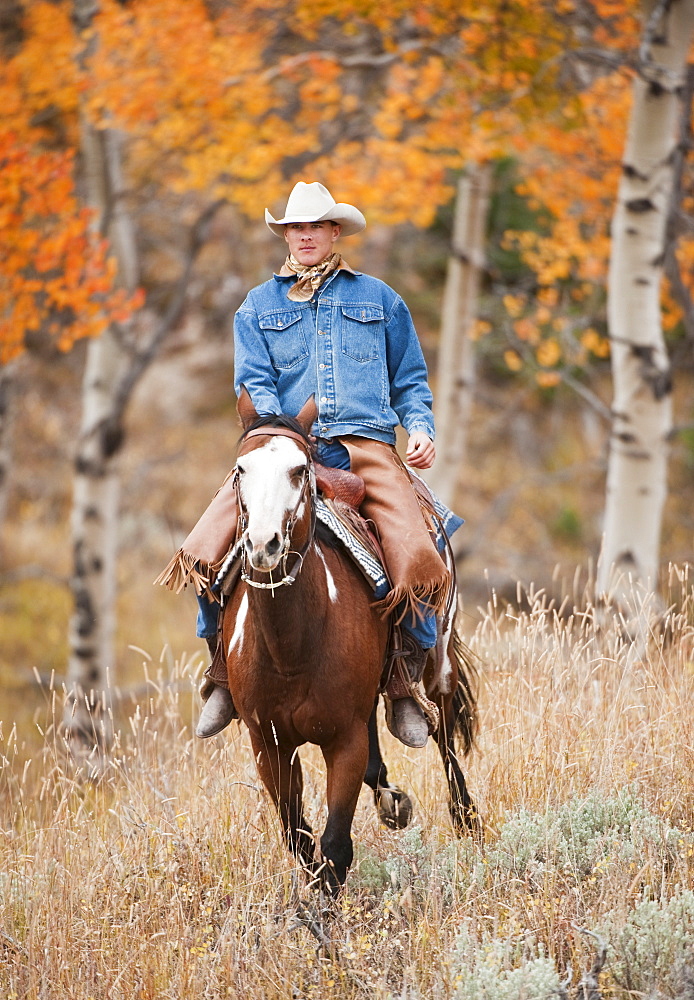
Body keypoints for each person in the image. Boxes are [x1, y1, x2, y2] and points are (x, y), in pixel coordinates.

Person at [156, 181, 461, 748]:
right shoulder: (258, 307)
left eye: (314, 227)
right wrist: (285, 438)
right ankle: (222, 670)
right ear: (286, 235)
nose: (304, 237)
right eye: (295, 228)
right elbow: (252, 383)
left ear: (334, 232)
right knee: (205, 546)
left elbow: (411, 381)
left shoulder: (381, 300)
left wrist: (419, 427)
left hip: (366, 446)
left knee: (419, 551)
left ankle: (400, 683)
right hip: (282, 444)